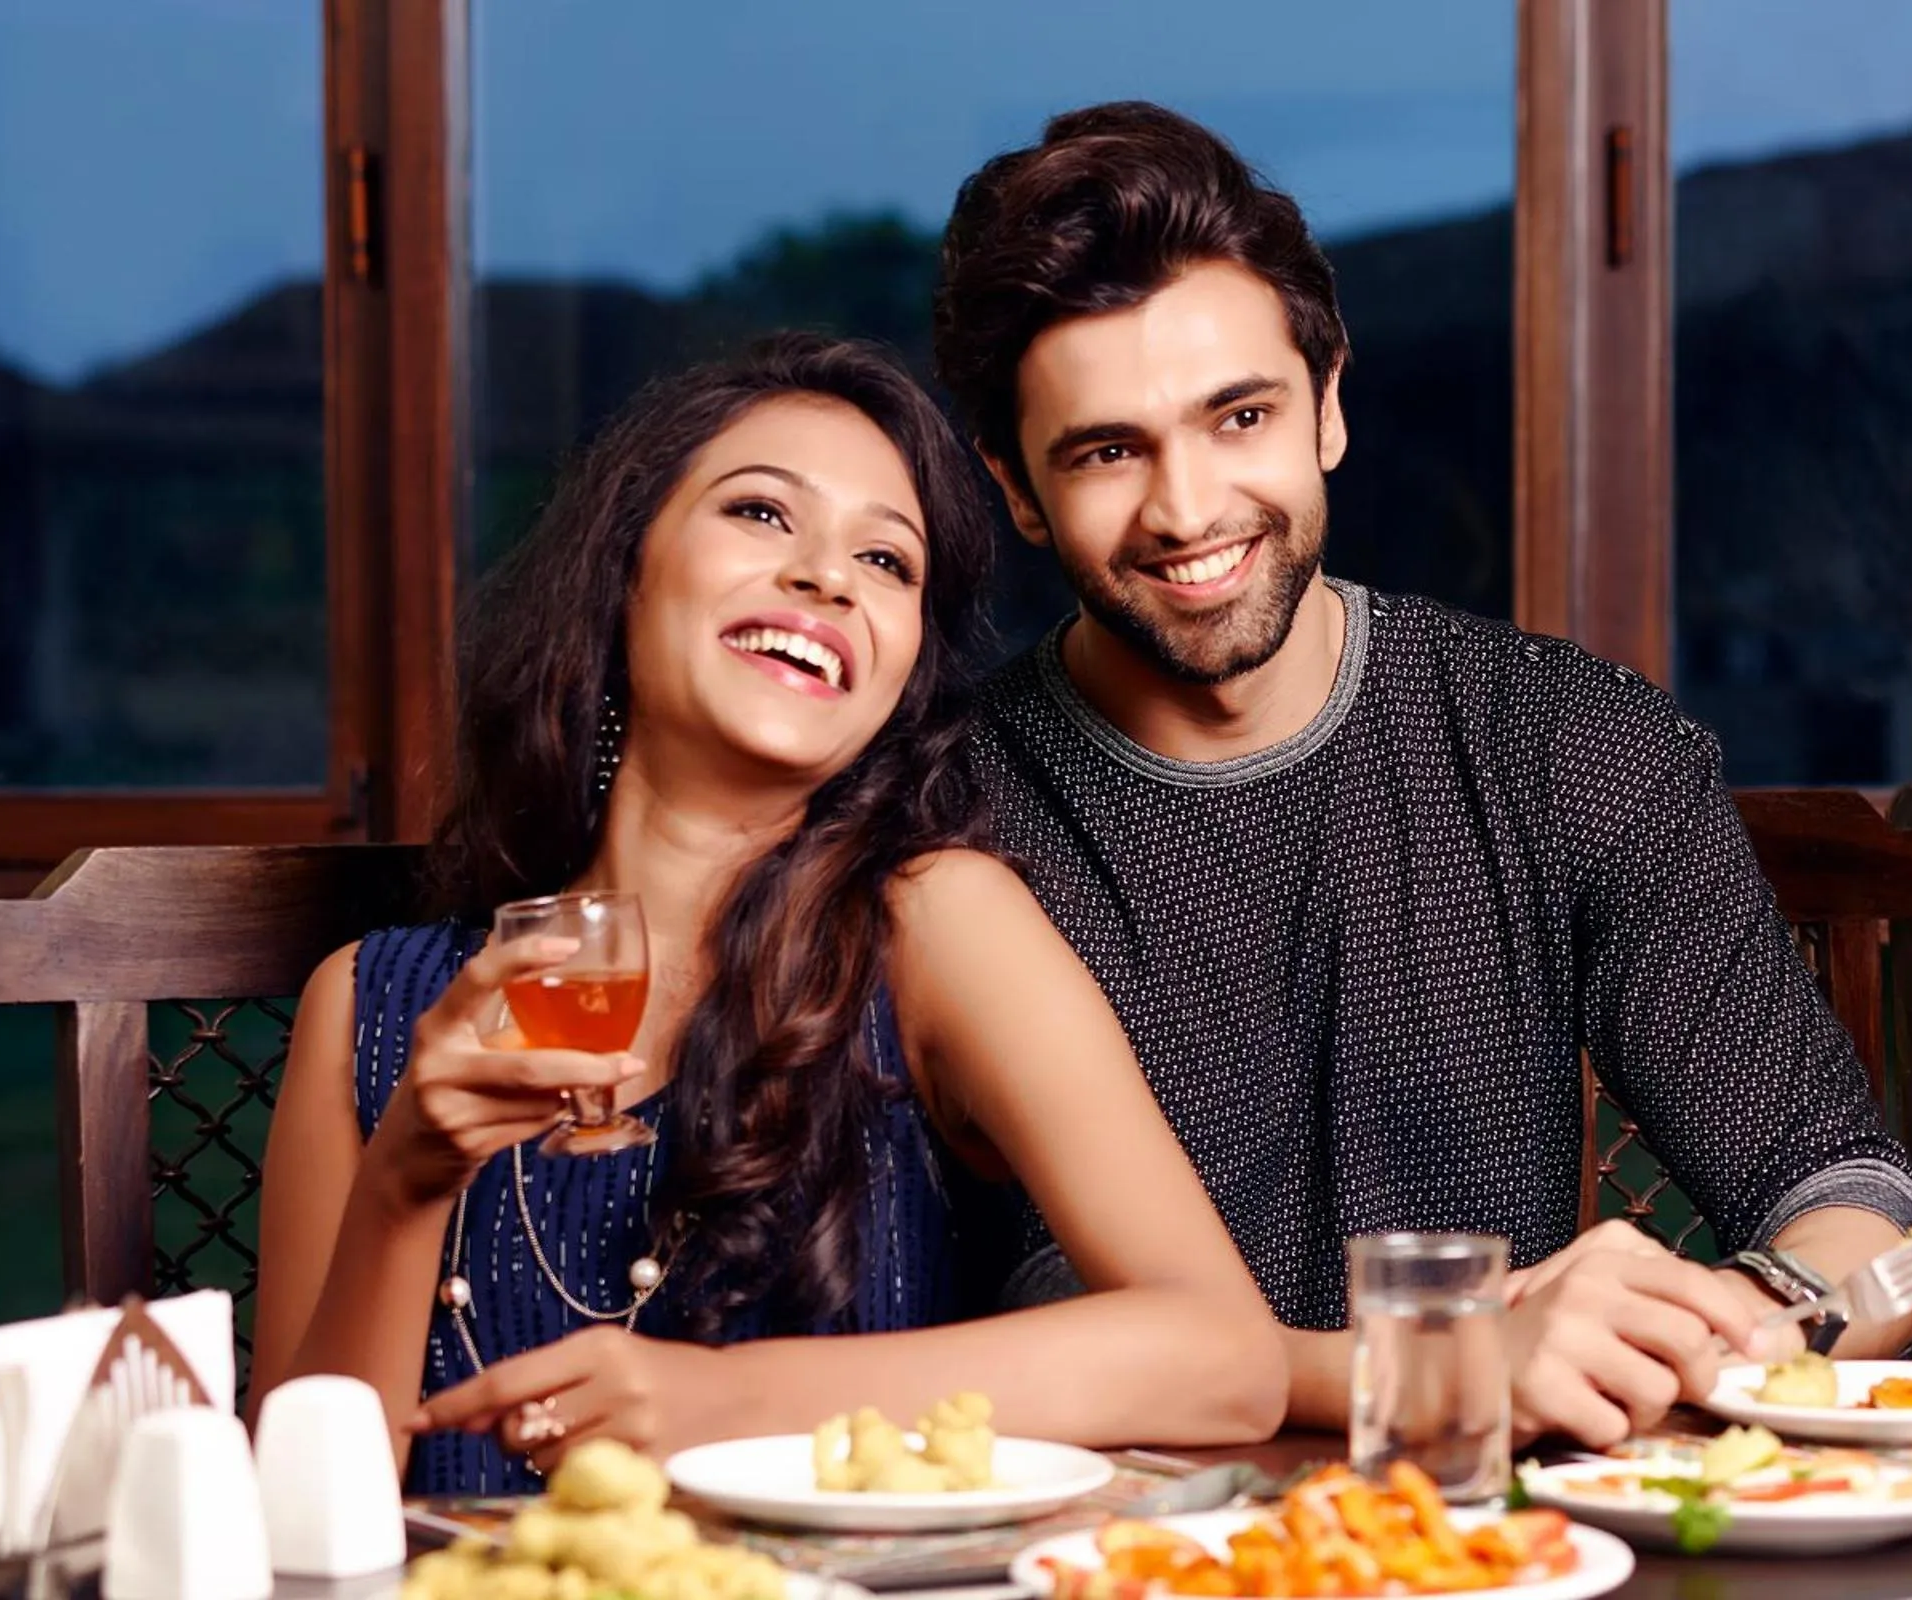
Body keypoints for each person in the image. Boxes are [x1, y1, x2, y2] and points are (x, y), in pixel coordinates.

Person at [930, 102, 1912, 1448]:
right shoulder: (940, 812)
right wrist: (1451, 1360)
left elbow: (1871, 1212)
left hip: (1497, 1538)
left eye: (1240, 417)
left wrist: (1743, 1323)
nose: (1187, 510)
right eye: (1109, 451)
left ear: (1330, 404)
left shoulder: (1566, 742)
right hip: (1093, 1539)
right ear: (1015, 488)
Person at [249, 333, 1285, 1493]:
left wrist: (725, 1402)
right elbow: (292, 1516)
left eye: (888, 561)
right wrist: (407, 1181)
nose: (829, 576)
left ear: (899, 672)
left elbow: (1222, 1359)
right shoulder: (369, 1002)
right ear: (623, 568)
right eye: (760, 514)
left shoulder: (931, 928)